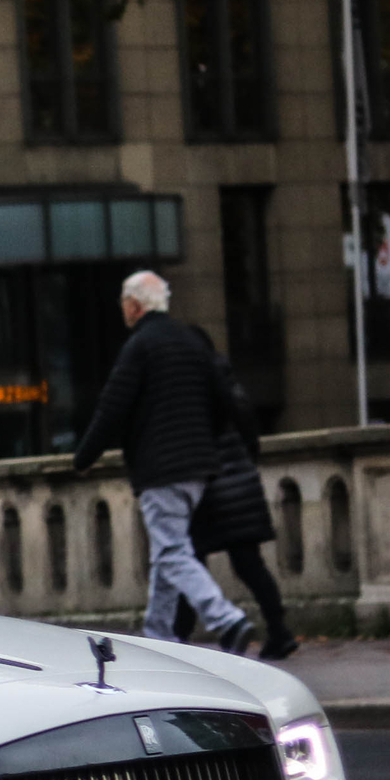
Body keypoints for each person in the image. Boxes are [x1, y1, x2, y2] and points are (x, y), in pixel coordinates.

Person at [72, 271, 256, 652]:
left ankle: (226, 618)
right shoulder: (191, 341)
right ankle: (157, 635)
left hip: (161, 468)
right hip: (199, 466)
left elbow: (113, 407)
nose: (121, 308)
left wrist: (84, 458)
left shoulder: (141, 345)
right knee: (166, 551)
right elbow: (224, 398)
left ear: (135, 305)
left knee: (172, 552)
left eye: (123, 301)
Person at [172, 345, 300, 660]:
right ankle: (279, 631)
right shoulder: (229, 385)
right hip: (241, 483)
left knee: (190, 562)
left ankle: (178, 638)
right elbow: (250, 437)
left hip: (209, 487)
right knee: (249, 565)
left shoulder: (192, 389)